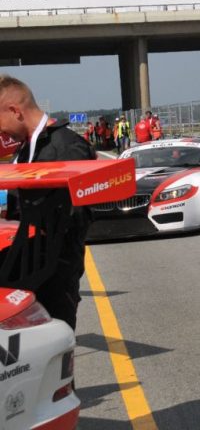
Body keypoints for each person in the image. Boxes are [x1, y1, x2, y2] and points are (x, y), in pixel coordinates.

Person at [0, 74, 96, 329]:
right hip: (21, 272)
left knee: (54, 351)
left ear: (14, 111)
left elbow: (78, 217)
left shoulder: (66, 146)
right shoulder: (23, 149)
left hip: (54, 275)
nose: (1, 131)